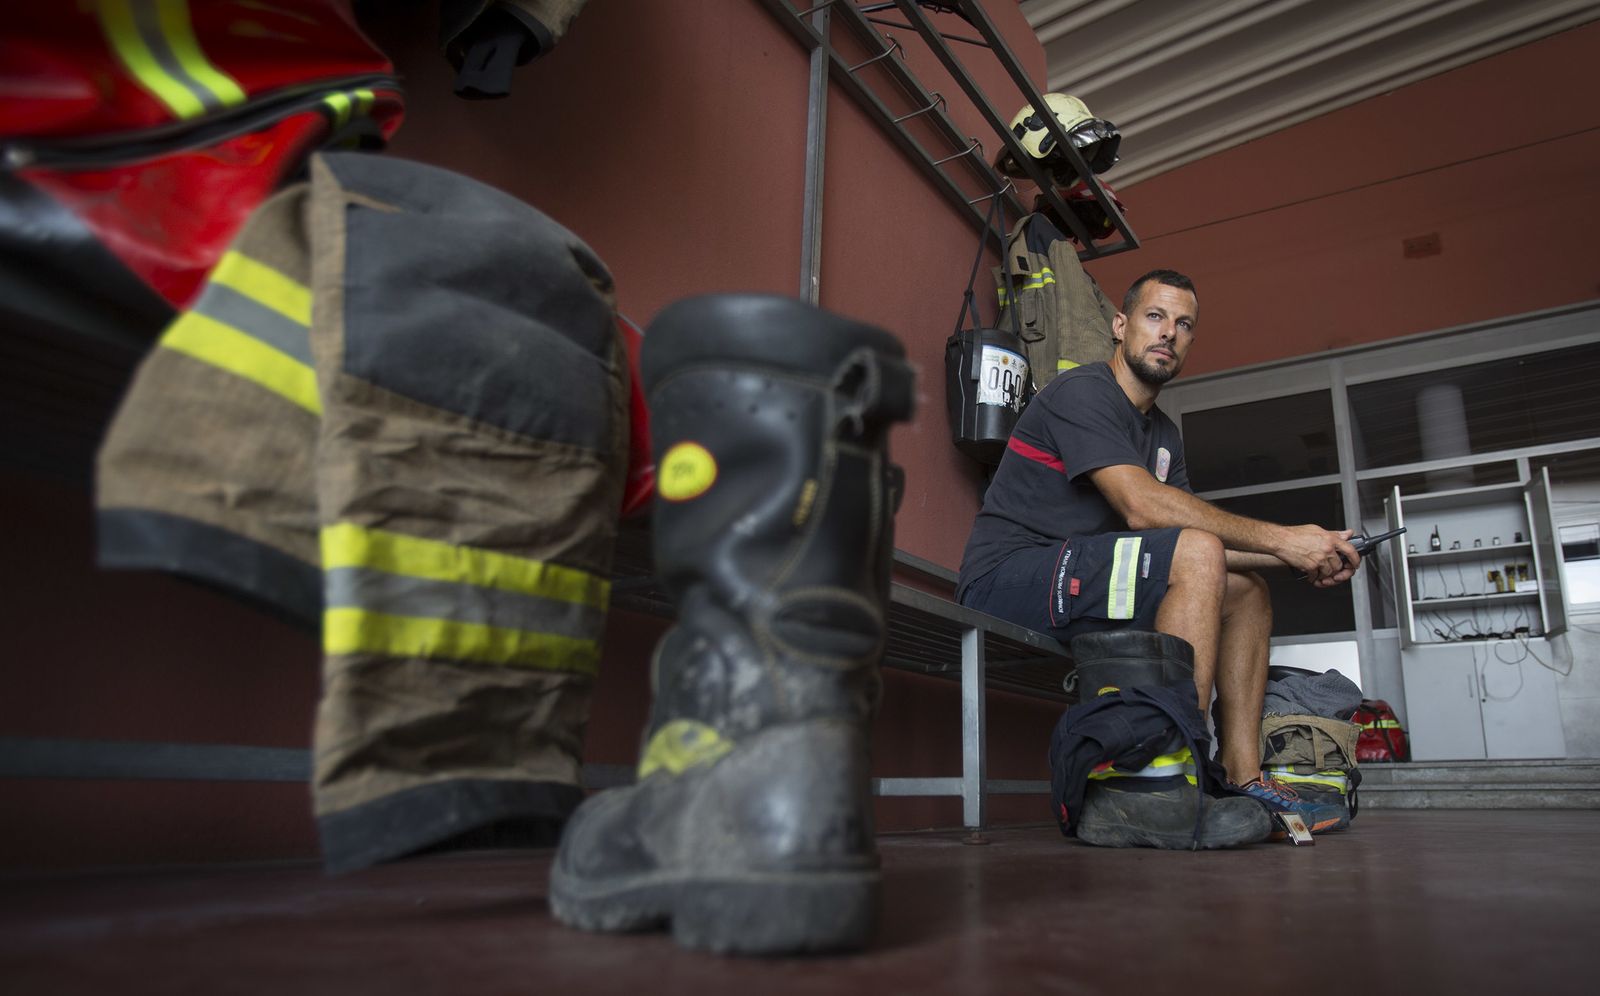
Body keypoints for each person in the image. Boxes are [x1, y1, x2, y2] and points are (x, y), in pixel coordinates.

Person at [956, 268, 1360, 825]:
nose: (1168, 332)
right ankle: (1172, 774)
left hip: (1083, 580)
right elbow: (1144, 509)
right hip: (1008, 578)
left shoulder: (1164, 434)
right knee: (1196, 551)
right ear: (1121, 327)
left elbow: (1199, 544)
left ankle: (1242, 777)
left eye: (1183, 324)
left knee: (1247, 591)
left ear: (1191, 341)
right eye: (1154, 316)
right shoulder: (1083, 391)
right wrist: (1285, 539)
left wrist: (1300, 555)